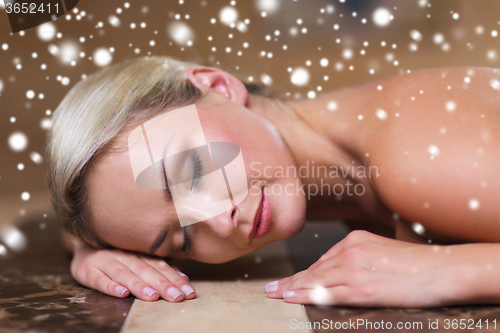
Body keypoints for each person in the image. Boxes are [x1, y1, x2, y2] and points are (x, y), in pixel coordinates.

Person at [46, 56, 500, 307]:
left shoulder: (414, 157)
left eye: (193, 172)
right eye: (182, 239)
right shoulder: (362, 167)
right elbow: (123, 204)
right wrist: (91, 246)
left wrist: (448, 272)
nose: (219, 224)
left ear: (219, 86)